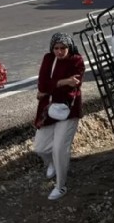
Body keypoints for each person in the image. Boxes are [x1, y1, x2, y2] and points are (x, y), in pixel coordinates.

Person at [33, 32, 85, 200]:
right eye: (56, 48)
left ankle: (61, 186)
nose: (59, 51)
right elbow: (42, 84)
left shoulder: (76, 60)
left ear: (69, 48)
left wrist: (49, 89)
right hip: (48, 110)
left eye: (63, 48)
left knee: (59, 149)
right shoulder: (48, 59)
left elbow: (73, 87)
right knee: (40, 148)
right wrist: (63, 82)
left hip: (67, 111)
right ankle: (52, 163)